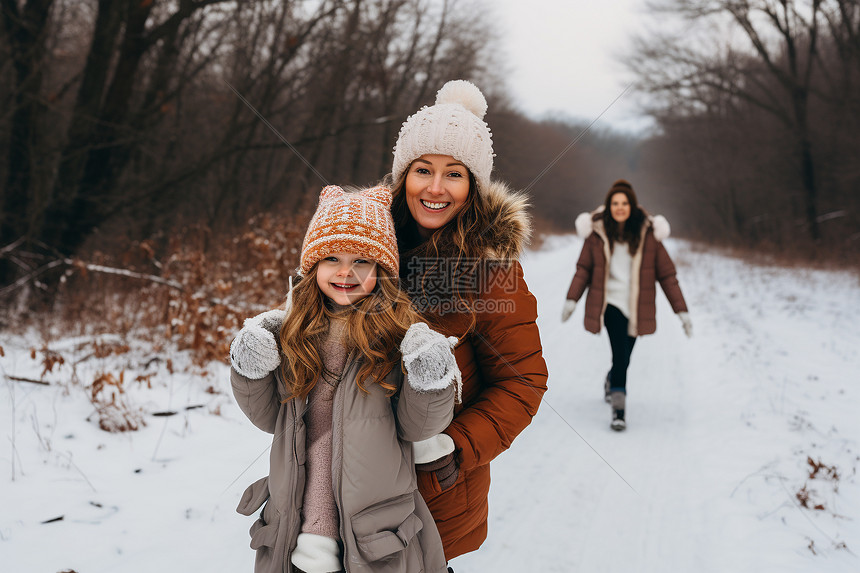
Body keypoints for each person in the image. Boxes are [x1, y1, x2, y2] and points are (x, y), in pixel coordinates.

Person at [229, 185, 461, 573]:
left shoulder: (396, 337)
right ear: (312, 266)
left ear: (382, 272)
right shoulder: (292, 334)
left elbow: (416, 426)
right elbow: (270, 418)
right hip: (295, 523)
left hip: (373, 533)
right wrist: (251, 368)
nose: (344, 271)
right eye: (332, 257)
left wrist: (430, 377)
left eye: (361, 262)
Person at [385, 80, 549, 562]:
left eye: (454, 174)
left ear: (473, 186)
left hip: (432, 495)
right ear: (403, 176)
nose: (436, 188)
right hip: (347, 489)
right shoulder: (362, 253)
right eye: (423, 170)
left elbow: (523, 382)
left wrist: (455, 447)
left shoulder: (490, 271)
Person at [561, 179, 692, 431]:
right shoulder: (597, 233)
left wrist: (681, 310)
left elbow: (667, 276)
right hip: (609, 304)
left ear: (632, 206)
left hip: (636, 306)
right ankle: (619, 410)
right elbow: (583, 270)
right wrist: (571, 299)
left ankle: (611, 380)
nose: (619, 207)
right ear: (609, 206)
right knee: (620, 354)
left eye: (624, 203)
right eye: (615, 203)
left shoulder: (648, 235)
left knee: (625, 356)